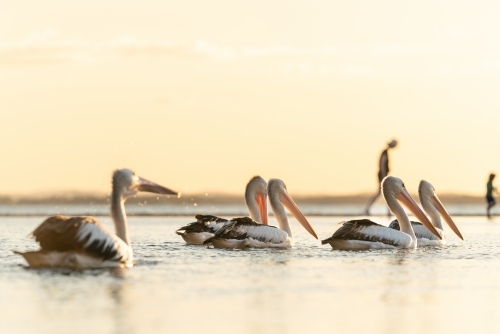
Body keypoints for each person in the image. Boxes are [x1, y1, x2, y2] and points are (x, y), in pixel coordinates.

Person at [364, 139, 398, 216]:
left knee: (383, 193)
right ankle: (368, 208)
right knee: (384, 192)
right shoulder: (384, 153)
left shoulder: (386, 152)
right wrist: (383, 177)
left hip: (383, 175)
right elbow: (382, 165)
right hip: (382, 176)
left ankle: (387, 211)